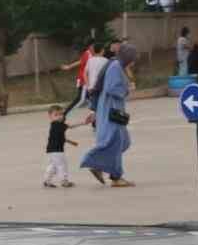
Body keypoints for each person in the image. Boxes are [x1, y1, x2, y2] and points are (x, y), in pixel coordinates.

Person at [81, 45, 135, 187]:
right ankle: (115, 177)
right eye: (132, 59)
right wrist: (126, 90)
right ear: (128, 57)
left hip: (114, 109)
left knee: (124, 141)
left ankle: (99, 166)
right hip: (112, 109)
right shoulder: (115, 67)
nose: (133, 62)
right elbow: (111, 88)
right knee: (116, 141)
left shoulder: (116, 65)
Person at [42, 105, 78, 188]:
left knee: (53, 166)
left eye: (61, 114)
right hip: (57, 150)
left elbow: (58, 137)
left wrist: (67, 140)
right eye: (56, 115)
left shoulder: (54, 125)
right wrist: (83, 122)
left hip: (51, 150)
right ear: (50, 116)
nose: (59, 116)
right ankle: (64, 181)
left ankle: (47, 181)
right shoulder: (58, 125)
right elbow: (71, 126)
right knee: (62, 165)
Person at [58, 45, 92, 119]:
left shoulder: (93, 54)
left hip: (89, 81)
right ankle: (64, 114)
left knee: (93, 100)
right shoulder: (88, 53)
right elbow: (80, 62)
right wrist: (69, 67)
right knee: (81, 99)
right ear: (90, 46)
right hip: (84, 80)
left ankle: (96, 120)